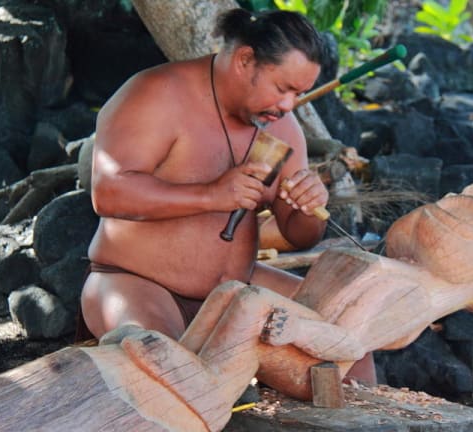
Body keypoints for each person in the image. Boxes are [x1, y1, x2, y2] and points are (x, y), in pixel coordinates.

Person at [113, 168, 473, 431]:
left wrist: (298, 328)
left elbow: (349, 344)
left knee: (252, 304)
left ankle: (210, 394)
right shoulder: (397, 270)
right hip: (303, 345)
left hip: (313, 366)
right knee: (234, 291)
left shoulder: (411, 295)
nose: (458, 195)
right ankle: (187, 363)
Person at [78, 8, 377, 384]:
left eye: (298, 94)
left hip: (238, 290)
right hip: (136, 282)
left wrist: (308, 203)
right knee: (169, 370)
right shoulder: (157, 93)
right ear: (244, 60)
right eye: (282, 88)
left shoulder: (281, 127)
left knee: (348, 343)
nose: (288, 106)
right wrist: (211, 195)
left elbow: (300, 235)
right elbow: (109, 193)